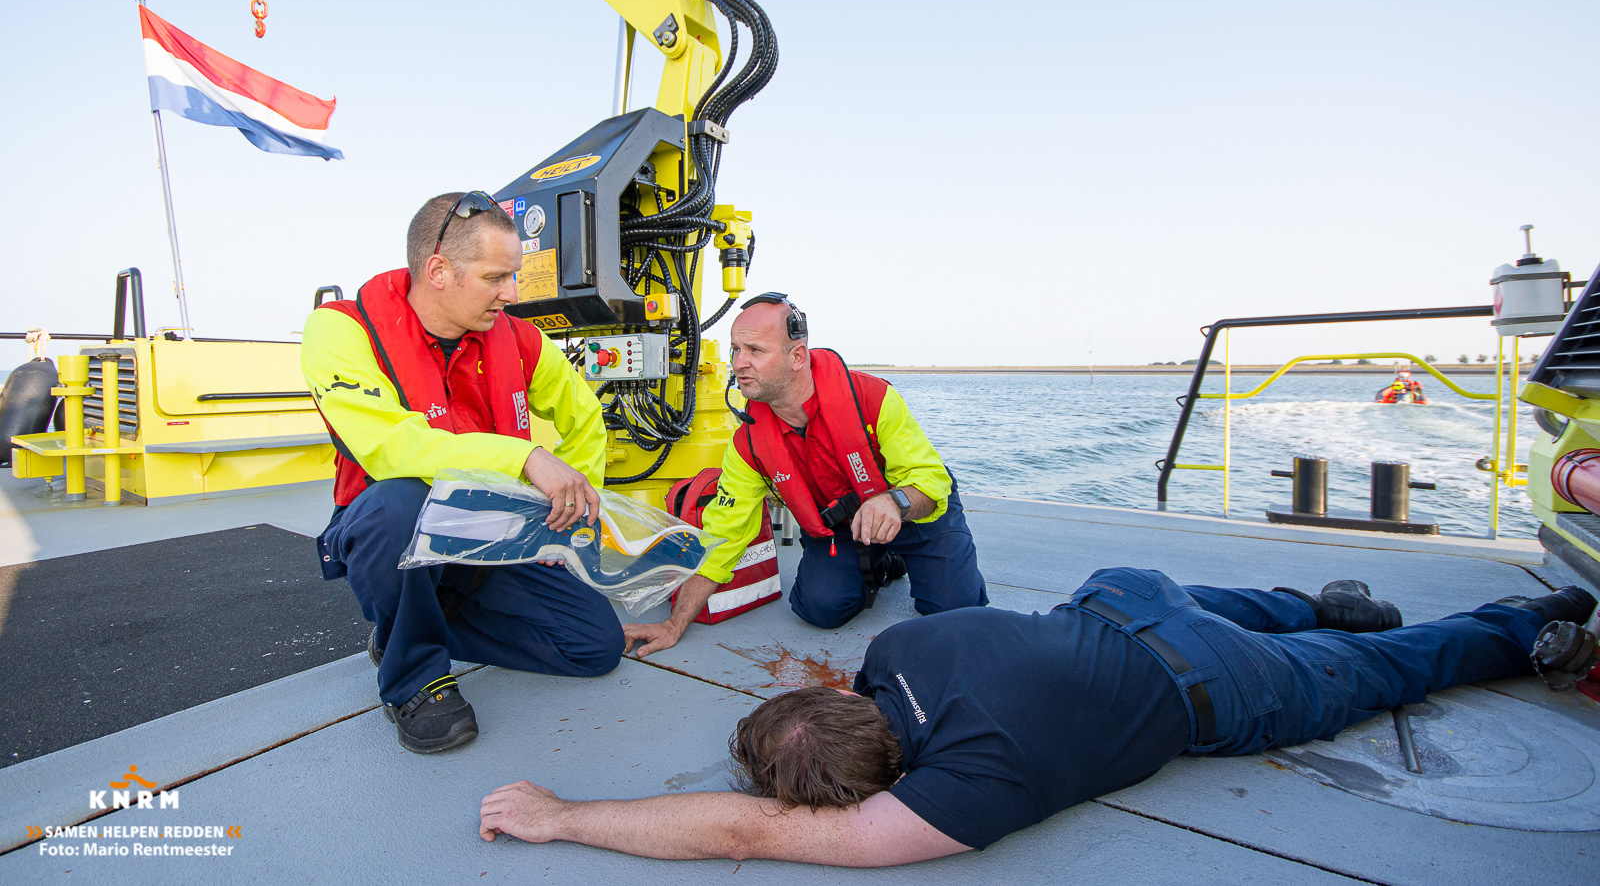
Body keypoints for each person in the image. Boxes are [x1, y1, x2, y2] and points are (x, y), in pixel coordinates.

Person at [479, 572, 1596, 865]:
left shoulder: (968, 787)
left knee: (1387, 667)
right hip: (1125, 597)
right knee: (1230, 606)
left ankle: (1524, 624)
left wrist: (563, 815)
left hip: (1213, 683)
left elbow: (744, 829)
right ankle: (1317, 599)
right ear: (841, 697)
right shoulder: (900, 651)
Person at [302, 191, 621, 755]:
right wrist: (524, 458)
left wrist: (575, 503)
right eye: (496, 277)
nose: (512, 293)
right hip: (398, 531)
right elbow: (388, 448)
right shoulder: (341, 330)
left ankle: (409, 628)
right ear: (438, 271)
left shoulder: (521, 340)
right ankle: (415, 678)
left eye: (513, 275)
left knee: (594, 646)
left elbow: (585, 418)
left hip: (492, 533)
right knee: (396, 502)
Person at [621, 292, 988, 657]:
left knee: (955, 612)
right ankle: (882, 561)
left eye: (755, 350)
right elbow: (722, 536)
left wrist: (894, 503)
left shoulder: (873, 398)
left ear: (797, 356)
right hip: (842, 527)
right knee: (819, 608)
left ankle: (900, 552)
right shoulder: (748, 444)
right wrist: (674, 624)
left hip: (913, 511)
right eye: (735, 350)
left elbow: (929, 480)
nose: (739, 363)